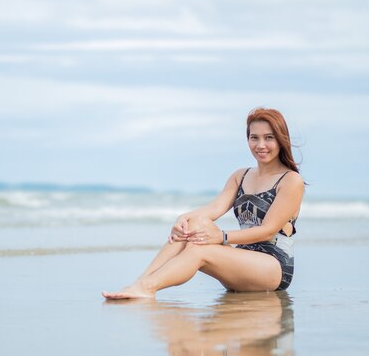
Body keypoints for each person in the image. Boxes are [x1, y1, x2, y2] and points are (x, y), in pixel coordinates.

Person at [102, 107, 305, 299]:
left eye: (269, 138)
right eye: (254, 138)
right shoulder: (240, 176)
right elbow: (214, 209)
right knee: (193, 225)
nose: (261, 145)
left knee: (200, 249)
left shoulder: (290, 180)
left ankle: (147, 288)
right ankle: (141, 282)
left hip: (273, 268)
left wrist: (222, 237)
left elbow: (268, 230)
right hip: (240, 262)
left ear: (280, 139)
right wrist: (183, 218)